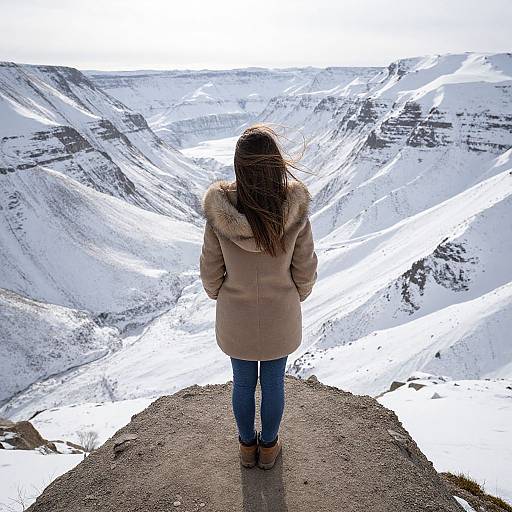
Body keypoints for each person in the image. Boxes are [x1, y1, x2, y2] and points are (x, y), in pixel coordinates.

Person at [199, 124, 318, 470]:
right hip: (280, 313)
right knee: (273, 382)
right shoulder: (293, 211)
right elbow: (305, 268)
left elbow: (210, 270)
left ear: (239, 166)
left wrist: (220, 295)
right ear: (277, 165)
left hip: (236, 315)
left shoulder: (220, 215)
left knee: (243, 383)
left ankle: (245, 448)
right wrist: (297, 295)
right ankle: (268, 449)